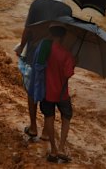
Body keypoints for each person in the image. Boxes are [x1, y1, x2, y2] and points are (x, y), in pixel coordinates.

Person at [15, 0, 72, 140]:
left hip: (35, 53)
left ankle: (33, 127)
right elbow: (67, 36)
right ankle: (47, 132)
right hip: (54, 57)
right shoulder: (67, 9)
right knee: (50, 92)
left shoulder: (37, 4)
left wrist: (21, 48)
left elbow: (28, 29)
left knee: (32, 90)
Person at [41, 24, 75, 164]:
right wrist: (73, 63)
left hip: (47, 91)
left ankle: (53, 149)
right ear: (63, 37)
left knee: (49, 117)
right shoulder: (66, 54)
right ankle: (61, 147)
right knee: (66, 116)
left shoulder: (45, 49)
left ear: (51, 34)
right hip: (62, 94)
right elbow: (68, 74)